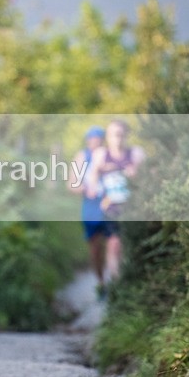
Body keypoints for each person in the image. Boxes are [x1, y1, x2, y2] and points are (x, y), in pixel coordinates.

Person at [85, 120, 145, 285]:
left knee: (131, 246)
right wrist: (93, 187)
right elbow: (93, 175)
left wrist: (136, 174)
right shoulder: (101, 154)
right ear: (108, 137)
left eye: (120, 134)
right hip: (111, 207)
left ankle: (133, 283)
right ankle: (116, 284)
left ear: (126, 135)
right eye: (112, 135)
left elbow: (148, 176)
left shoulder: (136, 153)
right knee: (114, 243)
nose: (117, 138)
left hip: (134, 208)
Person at [68, 126, 110, 295]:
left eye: (98, 139)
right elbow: (72, 185)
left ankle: (117, 280)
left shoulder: (110, 155)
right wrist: (85, 189)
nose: (95, 142)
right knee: (95, 247)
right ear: (88, 141)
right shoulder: (81, 157)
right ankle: (100, 281)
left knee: (114, 242)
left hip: (111, 206)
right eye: (92, 139)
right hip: (91, 207)